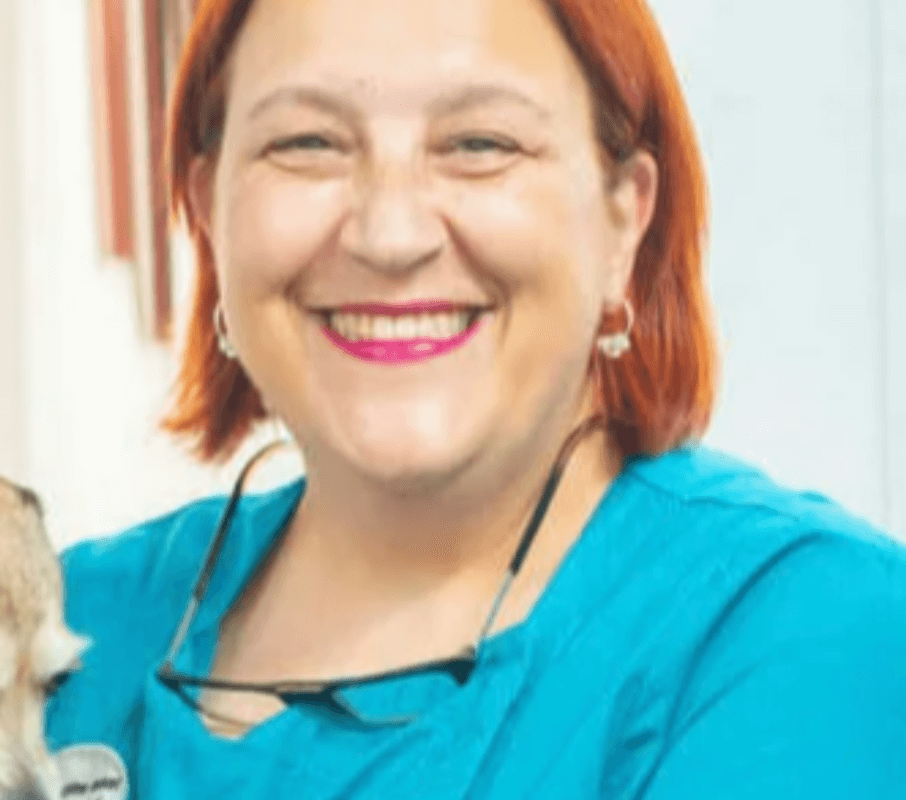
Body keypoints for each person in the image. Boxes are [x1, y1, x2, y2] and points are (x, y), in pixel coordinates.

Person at [46, 0, 906, 796]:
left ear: (624, 219)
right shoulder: (55, 629)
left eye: (481, 143)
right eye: (306, 143)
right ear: (208, 212)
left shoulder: (803, 629)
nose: (390, 235)